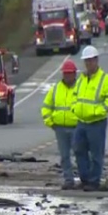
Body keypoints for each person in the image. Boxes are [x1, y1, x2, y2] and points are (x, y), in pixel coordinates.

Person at [72, 45, 108, 191]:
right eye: (86, 61)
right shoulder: (82, 79)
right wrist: (75, 109)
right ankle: (85, 179)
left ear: (96, 60)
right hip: (81, 122)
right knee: (79, 150)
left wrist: (98, 111)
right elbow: (75, 96)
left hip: (96, 123)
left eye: (91, 60)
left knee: (96, 154)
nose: (88, 63)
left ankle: (94, 181)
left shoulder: (105, 79)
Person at [41, 60, 79, 190]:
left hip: (77, 128)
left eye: (70, 73)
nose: (68, 76)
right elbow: (46, 107)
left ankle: (85, 179)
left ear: (75, 74)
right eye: (65, 74)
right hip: (60, 128)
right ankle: (69, 180)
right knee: (64, 156)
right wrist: (50, 122)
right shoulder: (55, 89)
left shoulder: (81, 88)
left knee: (80, 154)